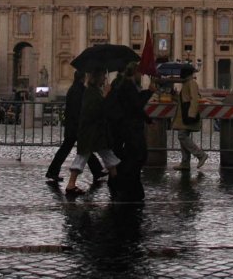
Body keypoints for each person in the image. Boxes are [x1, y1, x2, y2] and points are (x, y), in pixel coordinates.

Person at [64, 68, 120, 196]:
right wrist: (105, 96)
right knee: (82, 157)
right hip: (90, 132)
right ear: (96, 78)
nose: (105, 79)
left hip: (96, 132)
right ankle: (71, 185)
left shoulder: (94, 91)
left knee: (108, 156)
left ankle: (116, 182)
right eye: (102, 76)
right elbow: (95, 111)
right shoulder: (91, 92)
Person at [46, 70, 106, 183]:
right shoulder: (81, 90)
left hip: (72, 125)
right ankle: (52, 171)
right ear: (83, 78)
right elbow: (80, 109)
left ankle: (97, 170)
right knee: (81, 148)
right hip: (77, 126)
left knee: (81, 149)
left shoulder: (73, 89)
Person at [108, 62, 156, 201]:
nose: (141, 75)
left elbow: (136, 106)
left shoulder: (125, 85)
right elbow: (137, 105)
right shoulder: (127, 86)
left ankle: (129, 186)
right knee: (138, 157)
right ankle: (126, 185)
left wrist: (148, 120)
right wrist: (149, 92)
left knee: (133, 157)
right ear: (134, 73)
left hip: (128, 126)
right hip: (130, 127)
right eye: (139, 73)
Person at [173, 65, 208, 170]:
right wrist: (174, 95)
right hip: (184, 115)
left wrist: (191, 115)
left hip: (187, 115)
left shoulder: (191, 83)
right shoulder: (186, 84)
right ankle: (185, 162)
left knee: (182, 136)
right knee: (183, 137)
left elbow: (194, 99)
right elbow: (183, 99)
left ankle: (200, 155)